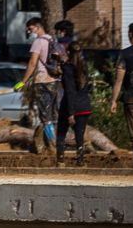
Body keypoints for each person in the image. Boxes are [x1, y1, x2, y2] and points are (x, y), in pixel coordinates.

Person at [52, 19, 93, 165]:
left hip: (70, 106)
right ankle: (80, 160)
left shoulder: (68, 69)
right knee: (79, 135)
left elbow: (69, 91)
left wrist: (70, 112)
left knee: (61, 133)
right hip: (85, 106)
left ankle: (60, 160)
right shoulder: (84, 68)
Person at [18, 16, 57, 154]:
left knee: (45, 117)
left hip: (42, 81)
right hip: (54, 81)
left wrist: (23, 81)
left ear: (37, 26)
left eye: (30, 29)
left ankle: (53, 147)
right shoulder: (52, 40)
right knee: (52, 115)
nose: (30, 32)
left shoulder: (38, 41)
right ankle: (43, 145)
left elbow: (33, 63)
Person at [112, 21, 133, 169]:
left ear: (130, 34)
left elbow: (119, 80)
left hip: (131, 98)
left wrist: (113, 100)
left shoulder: (125, 54)